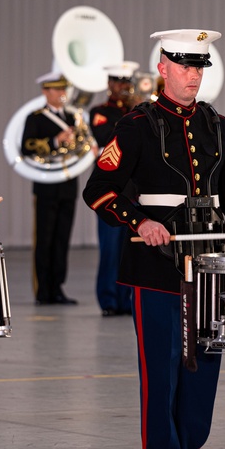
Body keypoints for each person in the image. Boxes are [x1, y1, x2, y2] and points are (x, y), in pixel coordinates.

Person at [82, 29, 225, 449]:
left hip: (209, 263)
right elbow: (98, 190)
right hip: (156, 265)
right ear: (163, 68)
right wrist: (139, 221)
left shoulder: (215, 123)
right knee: (162, 369)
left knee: (204, 366)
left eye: (199, 67)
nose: (193, 75)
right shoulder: (136, 124)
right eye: (184, 66)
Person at [22, 71, 81, 305]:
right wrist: (56, 141)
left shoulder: (73, 117)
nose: (62, 93)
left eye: (64, 89)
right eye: (58, 89)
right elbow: (27, 147)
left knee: (62, 239)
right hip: (46, 185)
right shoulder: (35, 118)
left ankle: (57, 288)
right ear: (46, 92)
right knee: (44, 239)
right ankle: (43, 290)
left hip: (68, 184)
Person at [88, 62, 140, 316]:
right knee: (110, 249)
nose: (124, 87)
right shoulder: (99, 112)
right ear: (109, 84)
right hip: (109, 190)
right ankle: (108, 300)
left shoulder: (139, 112)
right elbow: (108, 138)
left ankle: (125, 299)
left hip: (134, 189)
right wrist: (133, 113)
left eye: (127, 83)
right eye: (119, 82)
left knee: (130, 250)